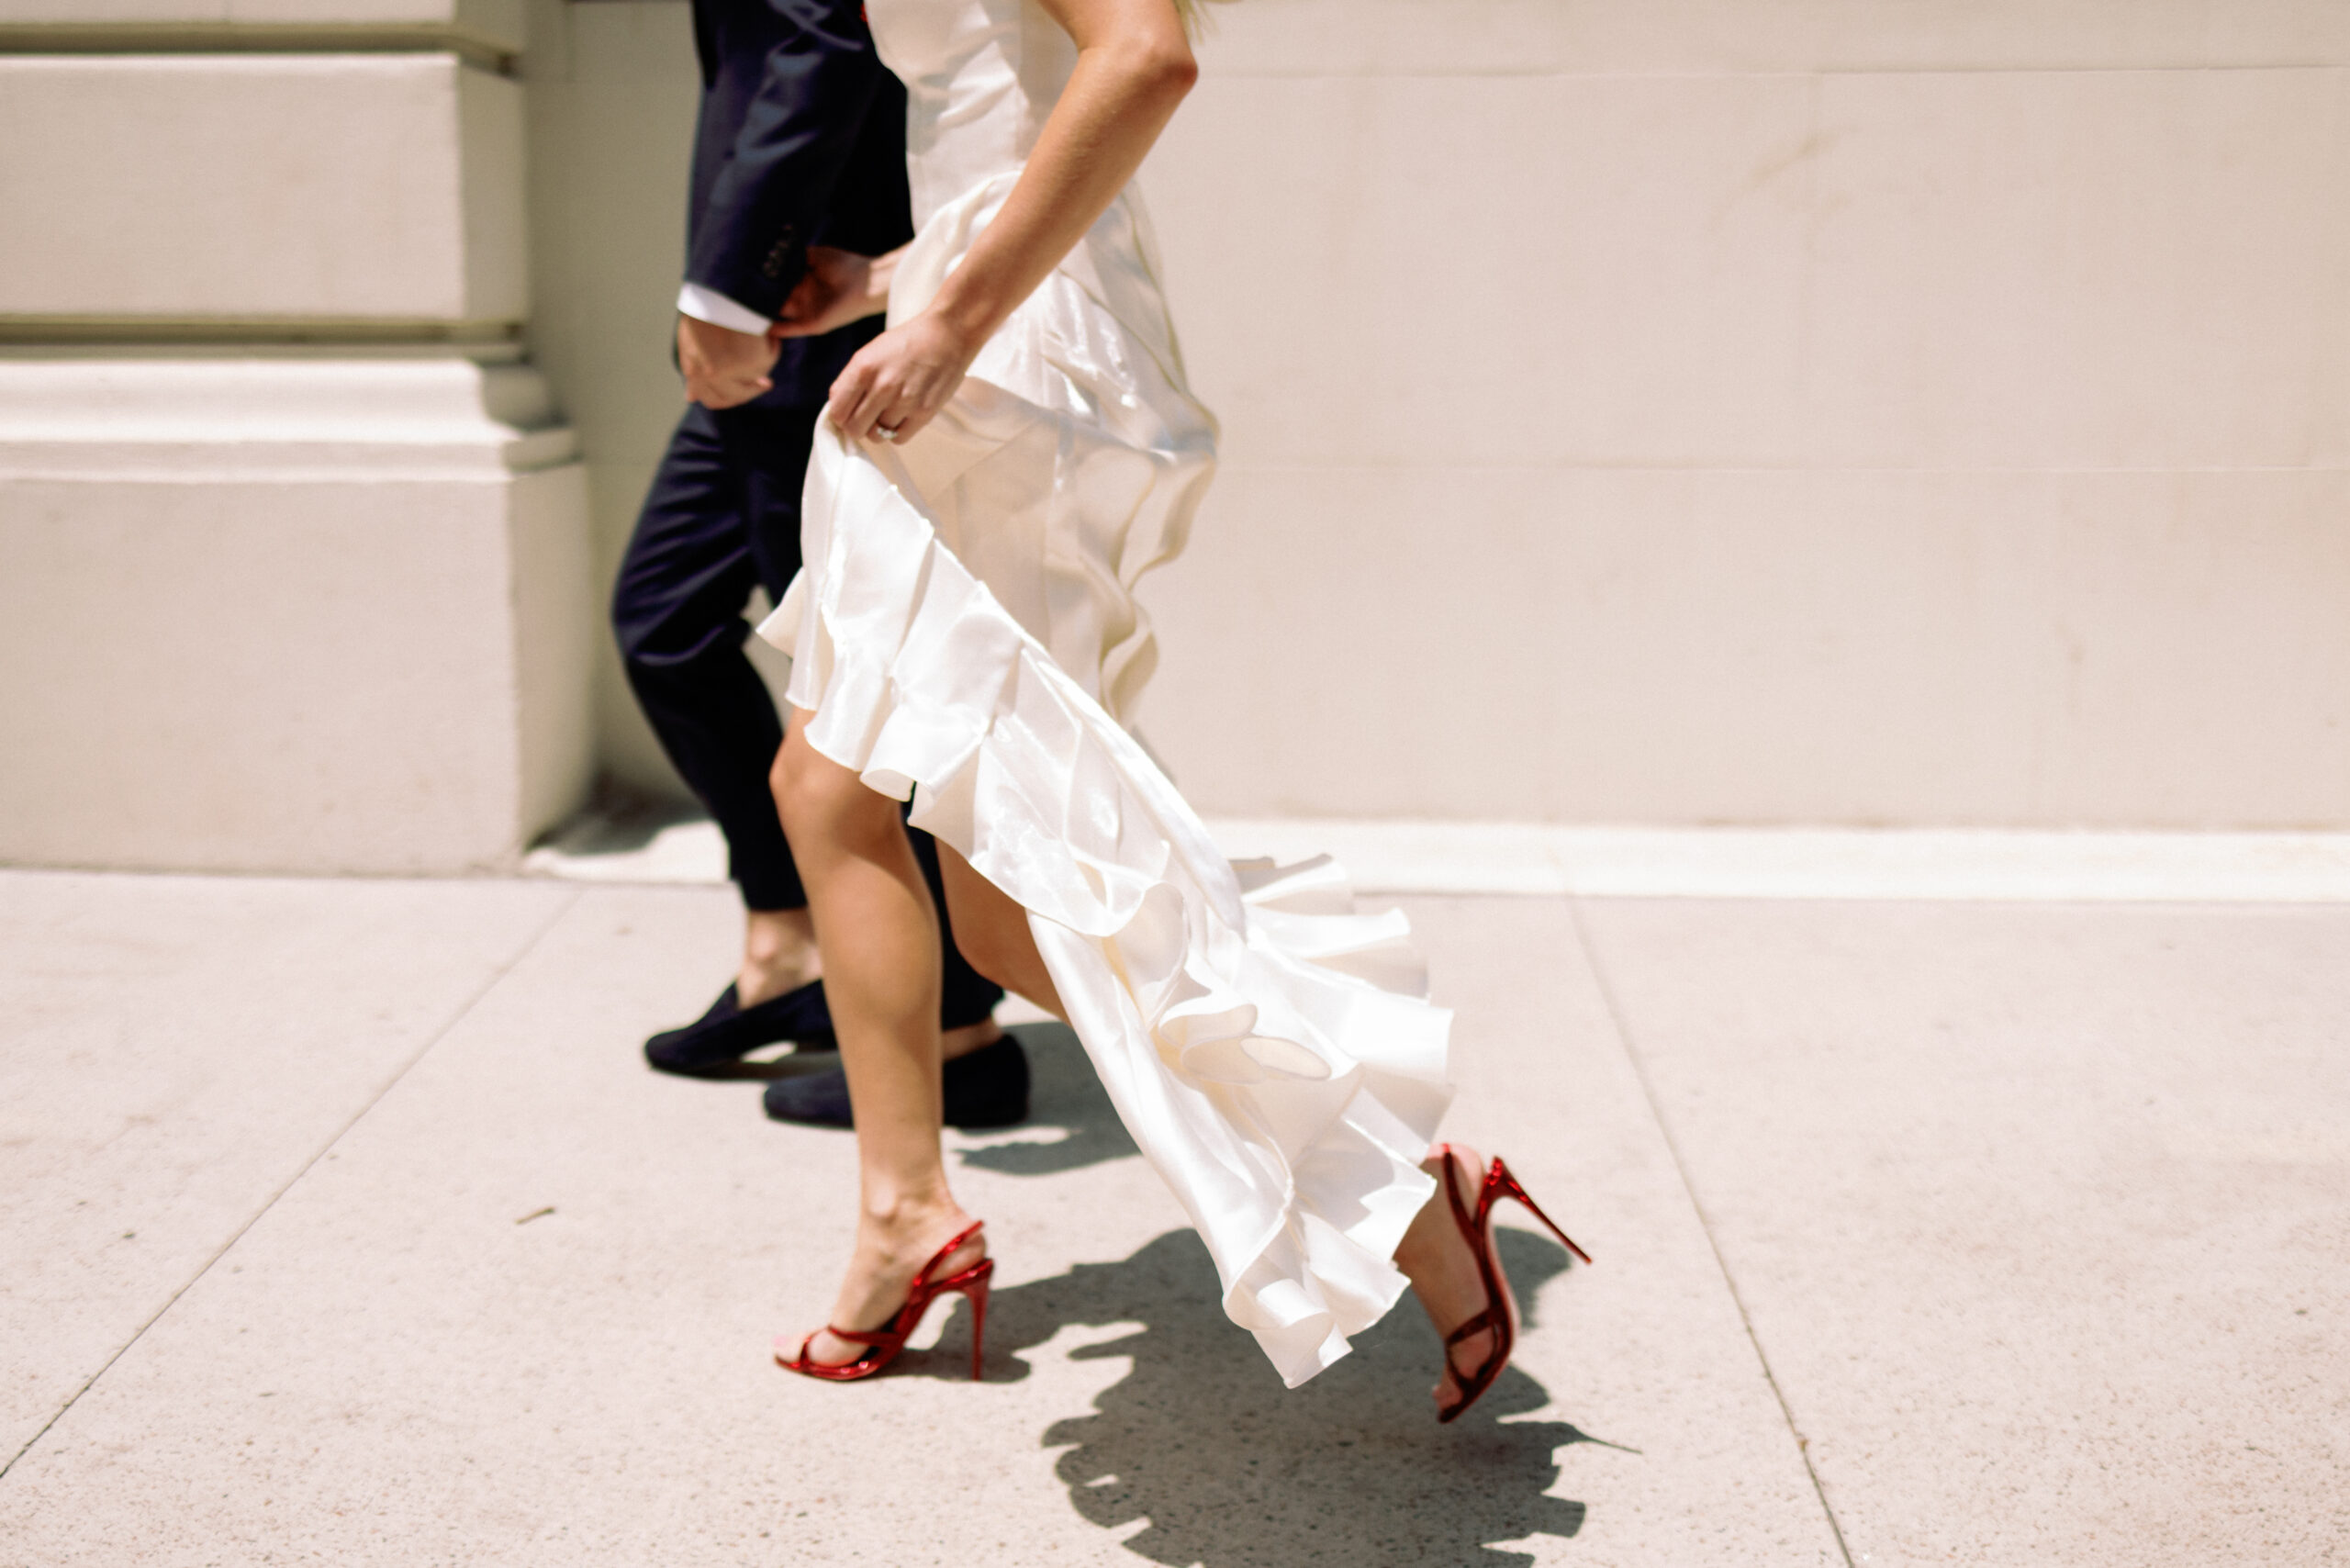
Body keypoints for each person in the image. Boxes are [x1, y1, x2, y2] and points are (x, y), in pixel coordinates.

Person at [763, 0, 1588, 1419]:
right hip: (984, 321)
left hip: (1004, 357)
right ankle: (1385, 1175)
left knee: (853, 796)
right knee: (993, 900)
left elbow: (1146, 55)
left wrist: (949, 316)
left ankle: (1377, 1177)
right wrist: (893, 280)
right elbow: (1008, 114)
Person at [609, 0, 1029, 1128]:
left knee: (858, 716)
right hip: (817, 301)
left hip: (822, 318)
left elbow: (819, 41)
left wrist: (730, 289)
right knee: (666, 623)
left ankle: (955, 1030)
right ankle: (793, 941)